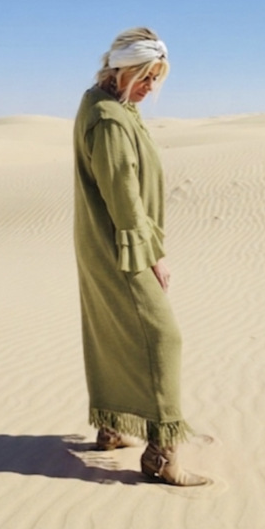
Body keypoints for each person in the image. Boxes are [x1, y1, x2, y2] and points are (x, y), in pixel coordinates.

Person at [73, 27, 207, 486]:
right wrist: (153, 257)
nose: (151, 87)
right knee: (163, 338)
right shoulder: (109, 119)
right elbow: (123, 195)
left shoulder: (107, 103)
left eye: (156, 79)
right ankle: (162, 456)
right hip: (122, 246)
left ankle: (112, 427)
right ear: (121, 70)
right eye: (145, 77)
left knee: (112, 330)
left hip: (105, 241)